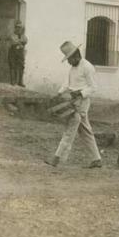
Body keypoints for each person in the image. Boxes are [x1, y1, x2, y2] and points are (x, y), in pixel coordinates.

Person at [45, 41, 102, 169]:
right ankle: (97, 159)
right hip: (73, 101)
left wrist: (81, 93)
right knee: (85, 131)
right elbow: (67, 82)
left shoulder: (88, 67)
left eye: (69, 59)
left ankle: (57, 159)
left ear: (76, 55)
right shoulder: (73, 68)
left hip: (81, 102)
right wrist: (59, 93)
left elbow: (94, 87)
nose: (68, 62)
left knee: (70, 130)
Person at [8, 20, 28, 87]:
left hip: (20, 52)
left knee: (21, 66)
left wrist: (19, 42)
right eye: (17, 27)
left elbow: (26, 40)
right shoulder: (12, 35)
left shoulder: (23, 35)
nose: (18, 29)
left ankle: (20, 81)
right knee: (13, 66)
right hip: (13, 52)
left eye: (20, 28)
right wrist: (20, 42)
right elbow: (13, 41)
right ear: (15, 28)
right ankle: (13, 81)